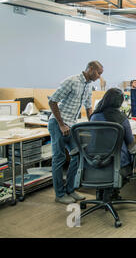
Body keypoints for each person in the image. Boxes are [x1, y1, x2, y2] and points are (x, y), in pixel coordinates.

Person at [48, 61, 103, 204]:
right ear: (90, 69)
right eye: (98, 73)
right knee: (59, 159)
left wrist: (95, 126)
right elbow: (52, 101)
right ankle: (59, 194)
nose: (99, 77)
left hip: (71, 126)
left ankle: (70, 190)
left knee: (77, 155)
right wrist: (61, 124)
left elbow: (89, 108)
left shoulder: (89, 86)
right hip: (57, 124)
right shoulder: (71, 81)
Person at [90, 88, 134, 179]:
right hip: (118, 162)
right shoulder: (121, 118)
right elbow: (130, 140)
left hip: (97, 160)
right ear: (120, 103)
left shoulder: (94, 116)